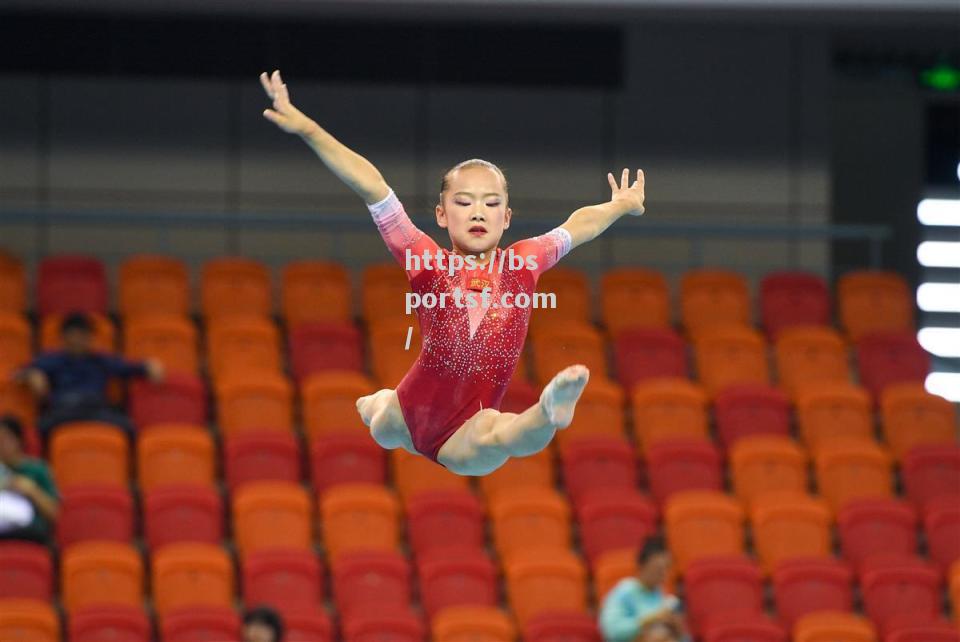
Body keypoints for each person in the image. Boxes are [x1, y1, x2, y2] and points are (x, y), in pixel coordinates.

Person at [260, 69, 646, 476]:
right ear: (442, 215)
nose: (478, 211)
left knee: (500, 436)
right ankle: (376, 401)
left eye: (491, 203)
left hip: (466, 428)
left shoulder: (523, 263)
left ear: (507, 217)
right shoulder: (428, 263)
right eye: (464, 201)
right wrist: (309, 129)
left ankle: (549, 410)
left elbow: (578, 225)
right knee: (377, 416)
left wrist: (620, 204)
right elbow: (373, 186)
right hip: (409, 414)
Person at [15, 312, 164, 441]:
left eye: (83, 335)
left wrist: (148, 366)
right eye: (73, 335)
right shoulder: (53, 360)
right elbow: (18, 373)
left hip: (96, 409)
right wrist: (32, 375)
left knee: (130, 428)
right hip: (64, 410)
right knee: (36, 431)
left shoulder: (100, 360)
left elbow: (130, 368)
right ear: (64, 337)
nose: (78, 340)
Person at [598, 536, 689, 642]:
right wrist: (652, 619)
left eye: (666, 569)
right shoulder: (624, 592)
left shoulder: (662, 597)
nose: (663, 575)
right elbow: (613, 631)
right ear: (643, 565)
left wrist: (679, 630)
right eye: (658, 569)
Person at [0, 414, 60, 544]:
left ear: (19, 440)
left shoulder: (38, 470)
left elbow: (54, 513)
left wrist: (32, 491)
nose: (2, 444)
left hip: (31, 532)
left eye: (6, 439)